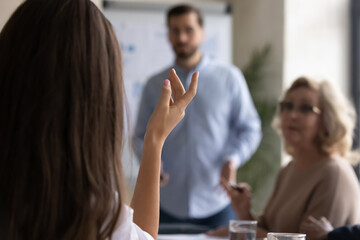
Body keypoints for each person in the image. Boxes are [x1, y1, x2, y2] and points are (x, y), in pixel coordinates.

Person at [0, 0, 197, 239]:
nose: (182, 37)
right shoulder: (93, 212)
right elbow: (140, 235)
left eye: (188, 30)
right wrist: (154, 140)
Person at [132, 4, 262, 228]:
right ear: (168, 34)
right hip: (165, 203)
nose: (181, 37)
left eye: (188, 29)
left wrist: (233, 158)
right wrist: (155, 163)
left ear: (202, 32)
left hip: (217, 203)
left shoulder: (229, 78)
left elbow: (250, 128)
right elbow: (139, 136)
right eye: (175, 30)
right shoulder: (156, 85)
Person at [207, 76, 360, 238]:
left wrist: (241, 232)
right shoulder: (288, 169)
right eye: (287, 106)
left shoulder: (334, 174)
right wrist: (244, 212)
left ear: (327, 119)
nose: (292, 115)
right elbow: (269, 229)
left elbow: (313, 239)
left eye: (306, 108)